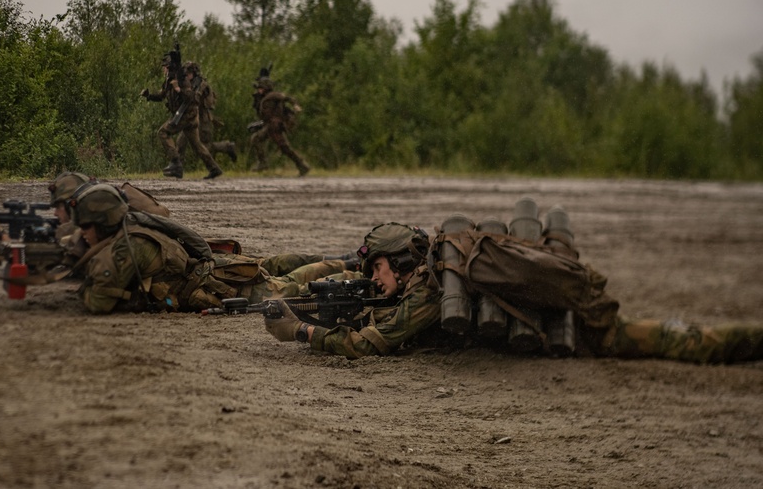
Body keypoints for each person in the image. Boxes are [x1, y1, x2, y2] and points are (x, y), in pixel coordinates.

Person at [264, 221, 763, 364]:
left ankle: (748, 341)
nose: (371, 278)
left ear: (397, 262)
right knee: (678, 337)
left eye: (375, 267)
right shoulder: (442, 260)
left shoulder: (434, 287)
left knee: (685, 342)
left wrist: (302, 331)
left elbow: (371, 343)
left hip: (572, 327)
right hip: (562, 310)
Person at [69, 183, 353, 314]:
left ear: (104, 222)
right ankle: (345, 262)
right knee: (276, 267)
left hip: (220, 285)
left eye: (86, 226)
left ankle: (351, 271)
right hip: (213, 273)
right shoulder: (133, 224)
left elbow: (97, 303)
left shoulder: (126, 247)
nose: (82, 232)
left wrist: (84, 268)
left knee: (291, 288)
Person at [141, 53, 223, 180]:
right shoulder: (170, 80)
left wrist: (179, 89)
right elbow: (162, 96)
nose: (163, 69)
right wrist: (149, 96)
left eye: (165, 67)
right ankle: (214, 168)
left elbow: (192, 97)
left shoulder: (181, 79)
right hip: (189, 118)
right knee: (197, 146)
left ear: (168, 67)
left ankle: (176, 163)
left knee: (163, 132)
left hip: (186, 117)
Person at [175, 61, 238, 168]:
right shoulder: (190, 84)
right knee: (181, 142)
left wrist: (183, 91)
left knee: (206, 147)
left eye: (188, 74)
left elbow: (195, 99)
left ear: (194, 73)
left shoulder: (201, 85)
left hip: (203, 120)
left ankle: (227, 147)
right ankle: (177, 167)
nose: (187, 76)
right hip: (192, 118)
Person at [249, 70, 310, 176]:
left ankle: (302, 165)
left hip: (275, 126)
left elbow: (288, 98)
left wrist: (295, 105)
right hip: (269, 126)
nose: (259, 90)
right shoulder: (263, 98)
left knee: (284, 148)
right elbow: (263, 116)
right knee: (257, 139)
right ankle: (263, 163)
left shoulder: (274, 95)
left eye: (261, 88)